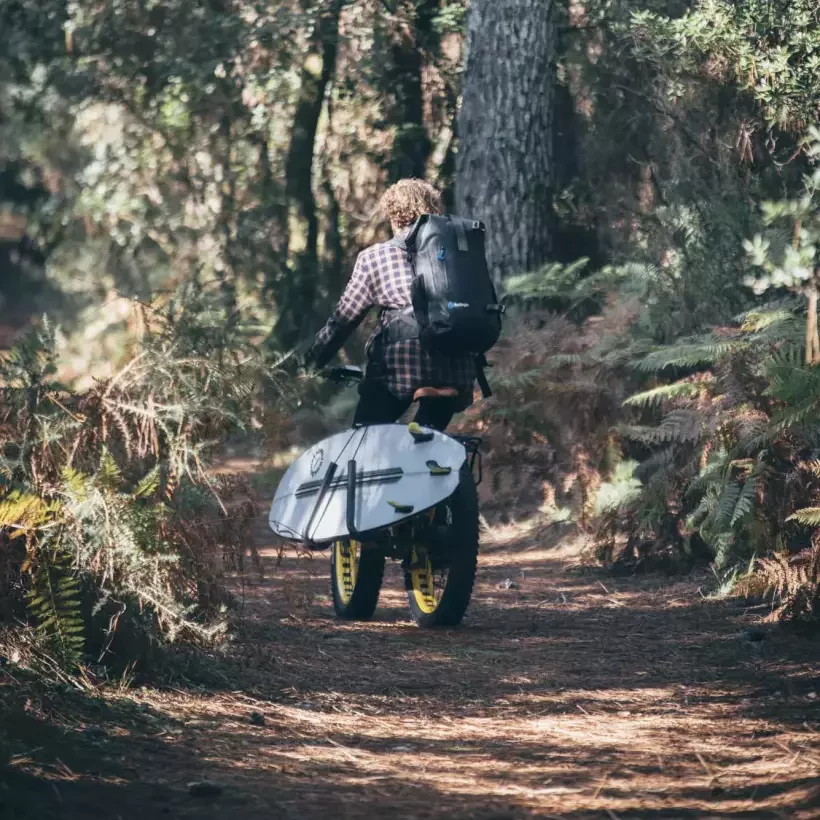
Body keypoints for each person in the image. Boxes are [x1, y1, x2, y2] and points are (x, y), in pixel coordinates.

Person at [304, 179, 476, 431]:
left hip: (400, 370)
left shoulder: (375, 257)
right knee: (428, 443)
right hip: (459, 371)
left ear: (393, 215)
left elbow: (343, 319)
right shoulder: (459, 254)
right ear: (434, 210)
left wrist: (312, 360)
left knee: (366, 438)